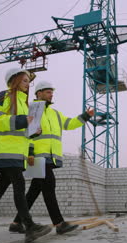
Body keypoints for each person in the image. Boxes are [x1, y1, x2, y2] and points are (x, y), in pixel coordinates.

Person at [0, 68, 52, 243]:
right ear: (13, 81)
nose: (28, 84)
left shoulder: (24, 103)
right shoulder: (4, 96)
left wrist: (33, 132)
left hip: (16, 153)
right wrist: (23, 121)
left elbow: (22, 131)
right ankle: (29, 226)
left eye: (29, 81)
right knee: (19, 185)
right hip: (5, 150)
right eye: (24, 81)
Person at [8, 80, 94, 235]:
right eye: (48, 91)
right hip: (37, 157)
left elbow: (70, 123)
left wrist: (85, 116)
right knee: (49, 186)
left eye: (51, 92)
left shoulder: (55, 114)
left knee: (35, 190)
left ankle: (16, 222)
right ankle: (59, 223)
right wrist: (30, 153)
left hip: (50, 157)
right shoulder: (32, 110)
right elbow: (27, 134)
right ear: (39, 93)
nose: (51, 94)